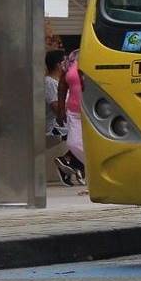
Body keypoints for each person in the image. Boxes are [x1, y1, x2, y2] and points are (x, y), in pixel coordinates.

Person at [45, 50, 82, 185]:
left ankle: (70, 164)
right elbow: (56, 107)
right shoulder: (49, 83)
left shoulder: (62, 80)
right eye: (66, 61)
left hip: (65, 124)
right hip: (54, 127)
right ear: (59, 64)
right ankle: (69, 161)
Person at [57, 49, 86, 181]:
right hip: (74, 112)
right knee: (73, 143)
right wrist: (61, 108)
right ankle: (95, 167)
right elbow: (62, 85)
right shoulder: (72, 58)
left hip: (92, 112)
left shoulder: (97, 56)